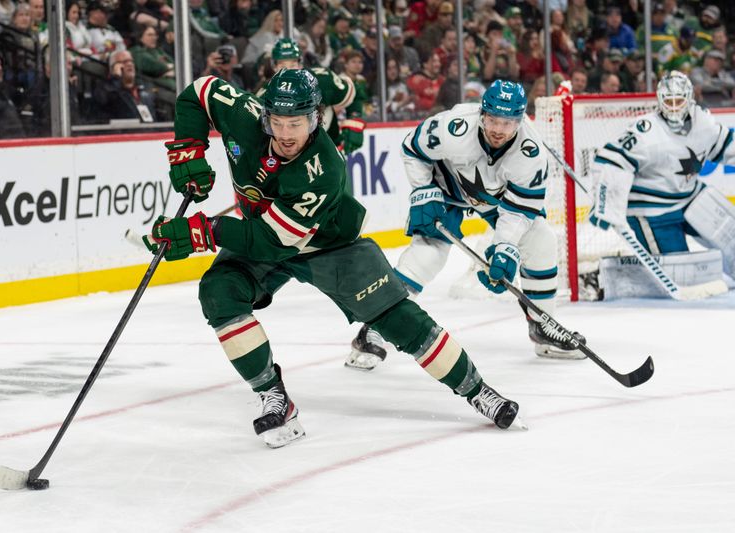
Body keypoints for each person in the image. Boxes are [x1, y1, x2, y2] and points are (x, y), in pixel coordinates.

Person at [141, 69, 524, 448]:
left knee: (396, 317)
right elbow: (200, 91)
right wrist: (186, 151)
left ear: (314, 119)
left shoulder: (324, 167)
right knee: (218, 292)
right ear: (264, 116)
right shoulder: (243, 115)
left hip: (327, 243)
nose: (287, 135)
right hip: (263, 231)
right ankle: (274, 396)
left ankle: (477, 390)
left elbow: (274, 241)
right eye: (277, 122)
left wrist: (202, 232)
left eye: (296, 124)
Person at [347, 80, 587, 371]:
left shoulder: (531, 154)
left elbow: (519, 211)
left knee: (540, 240)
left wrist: (504, 249)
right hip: (446, 187)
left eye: (508, 123)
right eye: (493, 120)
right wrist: (423, 190)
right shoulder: (454, 126)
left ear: (521, 120)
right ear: (482, 113)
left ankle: (543, 326)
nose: (498, 129)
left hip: (495, 201)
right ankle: (375, 327)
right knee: (428, 255)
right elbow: (412, 148)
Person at [589, 71, 735, 276]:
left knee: (732, 235)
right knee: (679, 273)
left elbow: (728, 145)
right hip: (652, 211)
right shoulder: (646, 131)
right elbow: (611, 161)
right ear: (659, 100)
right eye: (669, 101)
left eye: (679, 100)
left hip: (690, 198)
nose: (674, 107)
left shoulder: (704, 122)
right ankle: (607, 277)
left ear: (690, 99)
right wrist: (606, 206)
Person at [255, 38, 363, 155]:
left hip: (327, 153)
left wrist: (354, 118)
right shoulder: (263, 94)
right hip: (288, 159)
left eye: (293, 63)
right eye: (282, 64)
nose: (288, 70)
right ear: (274, 66)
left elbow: (352, 90)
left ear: (300, 63)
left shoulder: (321, 79)